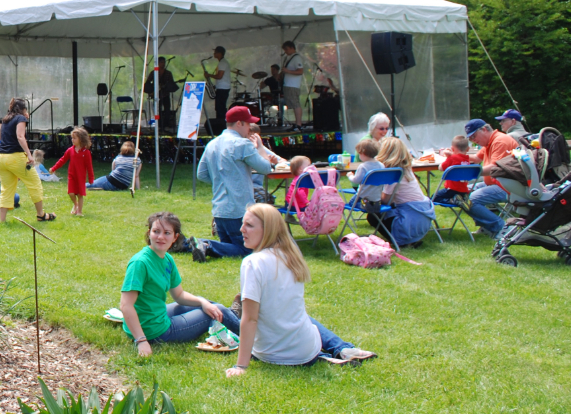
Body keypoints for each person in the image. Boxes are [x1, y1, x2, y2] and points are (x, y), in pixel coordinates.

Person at [225, 204, 377, 377]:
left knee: (223, 311)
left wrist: (241, 366)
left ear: (268, 230)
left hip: (271, 353)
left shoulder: (253, 263)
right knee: (298, 315)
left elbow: (250, 319)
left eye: (249, 225)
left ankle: (333, 353)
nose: (241, 229)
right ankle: (338, 350)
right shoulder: (291, 255)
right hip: (306, 349)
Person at [121, 211, 241, 357]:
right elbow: (126, 305)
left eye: (167, 233)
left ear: (175, 237)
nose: (160, 237)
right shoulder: (140, 263)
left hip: (158, 314)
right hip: (153, 330)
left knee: (208, 305)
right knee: (214, 312)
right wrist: (141, 341)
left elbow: (179, 295)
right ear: (149, 233)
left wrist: (203, 302)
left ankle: (235, 320)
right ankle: (251, 336)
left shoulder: (167, 259)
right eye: (156, 231)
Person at [192, 106, 277, 262]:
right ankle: (207, 244)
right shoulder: (242, 144)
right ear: (240, 123)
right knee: (246, 250)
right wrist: (259, 147)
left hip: (219, 210)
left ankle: (202, 246)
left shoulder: (212, 144)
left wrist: (222, 180)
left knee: (229, 247)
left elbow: (201, 174)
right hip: (239, 209)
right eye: (248, 125)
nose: (250, 129)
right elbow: (265, 168)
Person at [0, 98, 52, 223]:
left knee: (6, 188)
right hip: (15, 157)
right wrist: (29, 155)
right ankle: (40, 215)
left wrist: (26, 118)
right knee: (35, 183)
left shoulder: (6, 120)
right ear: (23, 109)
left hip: (0, 158)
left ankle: (2, 221)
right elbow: (20, 136)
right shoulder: (20, 119)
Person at [461, 119, 520, 238]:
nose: (473, 140)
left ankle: (502, 228)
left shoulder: (500, 141)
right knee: (460, 193)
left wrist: (470, 172)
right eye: (470, 138)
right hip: (497, 183)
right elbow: (477, 158)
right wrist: (456, 156)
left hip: (509, 186)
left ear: (484, 129)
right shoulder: (489, 141)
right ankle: (487, 227)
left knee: (472, 199)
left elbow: (494, 168)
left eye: (474, 136)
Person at [373, 137, 435, 247]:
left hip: (409, 221)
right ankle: (407, 239)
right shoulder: (407, 169)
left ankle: (399, 241)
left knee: (373, 215)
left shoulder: (393, 173)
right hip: (423, 217)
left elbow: (385, 201)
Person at [347, 138, 388, 235]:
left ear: (363, 153)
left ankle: (362, 205)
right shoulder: (381, 165)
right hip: (376, 198)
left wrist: (350, 176)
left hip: (362, 197)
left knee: (350, 203)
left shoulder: (363, 166)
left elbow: (356, 180)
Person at [50, 127, 95, 216]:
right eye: (72, 138)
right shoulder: (70, 150)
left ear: (81, 139)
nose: (72, 140)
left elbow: (89, 167)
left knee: (80, 194)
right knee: (71, 193)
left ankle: (79, 211)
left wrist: (91, 178)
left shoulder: (86, 153)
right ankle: (75, 204)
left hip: (80, 177)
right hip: (72, 175)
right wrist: (54, 168)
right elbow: (62, 160)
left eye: (74, 138)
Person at [433, 135, 474, 205]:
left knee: (434, 198)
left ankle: (452, 200)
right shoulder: (467, 160)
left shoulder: (452, 158)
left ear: (452, 148)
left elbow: (441, 168)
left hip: (451, 189)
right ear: (468, 149)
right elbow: (459, 157)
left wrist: (448, 157)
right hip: (464, 190)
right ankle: (461, 199)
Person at [143, 56, 180, 130]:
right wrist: (151, 91)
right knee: (157, 110)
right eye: (161, 62)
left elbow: (171, 83)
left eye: (164, 62)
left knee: (167, 110)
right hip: (157, 95)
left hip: (165, 94)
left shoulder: (168, 73)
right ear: (158, 63)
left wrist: (167, 86)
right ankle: (159, 125)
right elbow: (147, 83)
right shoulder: (153, 73)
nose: (163, 64)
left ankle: (166, 125)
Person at [280, 41, 306, 131]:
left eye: (286, 49)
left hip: (293, 85)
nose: (285, 51)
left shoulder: (297, 58)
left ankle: (299, 124)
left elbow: (300, 71)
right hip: (288, 84)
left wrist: (288, 71)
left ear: (292, 48)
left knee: (295, 103)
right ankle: (296, 123)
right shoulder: (289, 58)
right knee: (292, 104)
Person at [204, 46, 231, 131]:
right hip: (221, 87)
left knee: (220, 108)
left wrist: (209, 75)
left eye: (215, 52)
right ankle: (221, 125)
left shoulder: (222, 63)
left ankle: (221, 126)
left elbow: (219, 76)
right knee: (219, 107)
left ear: (220, 53)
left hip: (223, 88)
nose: (214, 54)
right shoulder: (222, 62)